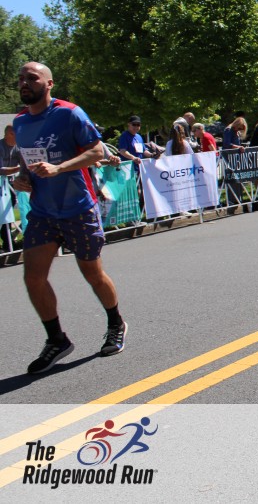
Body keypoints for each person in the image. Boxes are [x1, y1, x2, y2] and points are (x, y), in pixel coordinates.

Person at [12, 62, 127, 374]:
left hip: (78, 207)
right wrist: (22, 179)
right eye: (21, 79)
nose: (24, 83)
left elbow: (98, 152)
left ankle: (116, 323)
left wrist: (60, 168)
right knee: (33, 277)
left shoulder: (69, 113)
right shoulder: (20, 122)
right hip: (43, 211)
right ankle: (57, 339)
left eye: (32, 78)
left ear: (49, 84)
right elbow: (27, 161)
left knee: (92, 273)